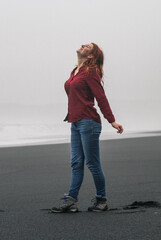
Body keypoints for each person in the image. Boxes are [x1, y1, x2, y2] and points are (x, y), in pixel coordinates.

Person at [51, 42, 123, 213]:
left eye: (87, 47)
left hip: (88, 122)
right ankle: (71, 201)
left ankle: (101, 200)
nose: (83, 45)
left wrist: (111, 120)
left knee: (92, 163)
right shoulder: (75, 71)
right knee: (76, 163)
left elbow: (101, 97)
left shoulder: (91, 72)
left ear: (91, 56)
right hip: (75, 122)